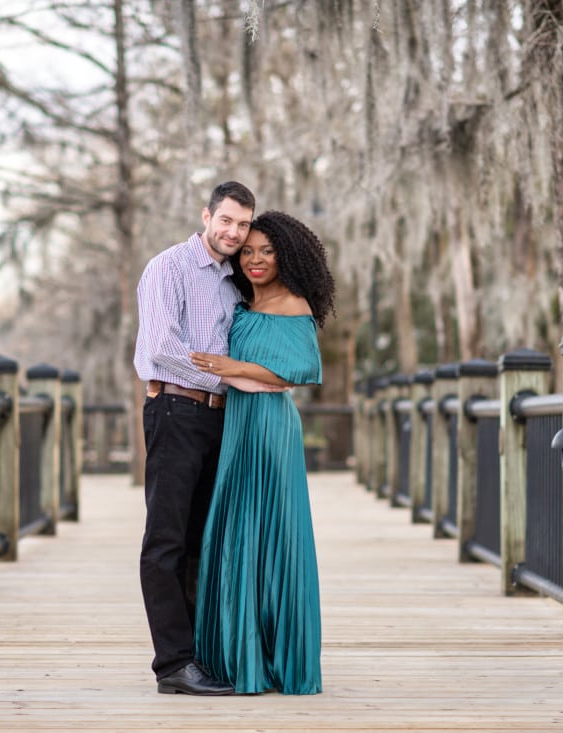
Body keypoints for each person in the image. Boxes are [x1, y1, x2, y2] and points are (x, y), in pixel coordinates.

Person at [134, 181, 285, 696]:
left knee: (204, 541)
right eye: (227, 221)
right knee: (167, 541)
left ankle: (202, 655)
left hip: (222, 420)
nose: (234, 232)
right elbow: (162, 347)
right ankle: (173, 665)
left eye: (243, 224)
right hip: (175, 409)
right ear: (206, 216)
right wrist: (233, 378)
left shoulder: (233, 281)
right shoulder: (169, 267)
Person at [189, 210, 336, 695]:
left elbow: (298, 372)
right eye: (247, 251)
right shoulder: (242, 302)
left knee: (272, 534)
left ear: (286, 255)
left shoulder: (294, 304)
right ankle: (237, 657)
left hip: (271, 428)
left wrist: (233, 364)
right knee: (235, 532)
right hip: (237, 425)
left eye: (266, 251)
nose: (254, 259)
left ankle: (276, 658)